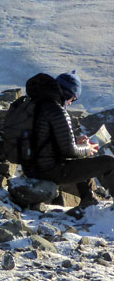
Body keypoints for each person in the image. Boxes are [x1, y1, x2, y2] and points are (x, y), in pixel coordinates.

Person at [22, 71, 114, 207]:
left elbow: (44, 140)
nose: (71, 103)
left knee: (81, 158)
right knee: (109, 162)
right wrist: (87, 148)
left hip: (32, 167)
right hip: (48, 170)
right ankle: (89, 199)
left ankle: (88, 198)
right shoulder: (57, 111)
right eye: (73, 98)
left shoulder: (35, 104)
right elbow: (69, 151)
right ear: (67, 93)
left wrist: (74, 140)